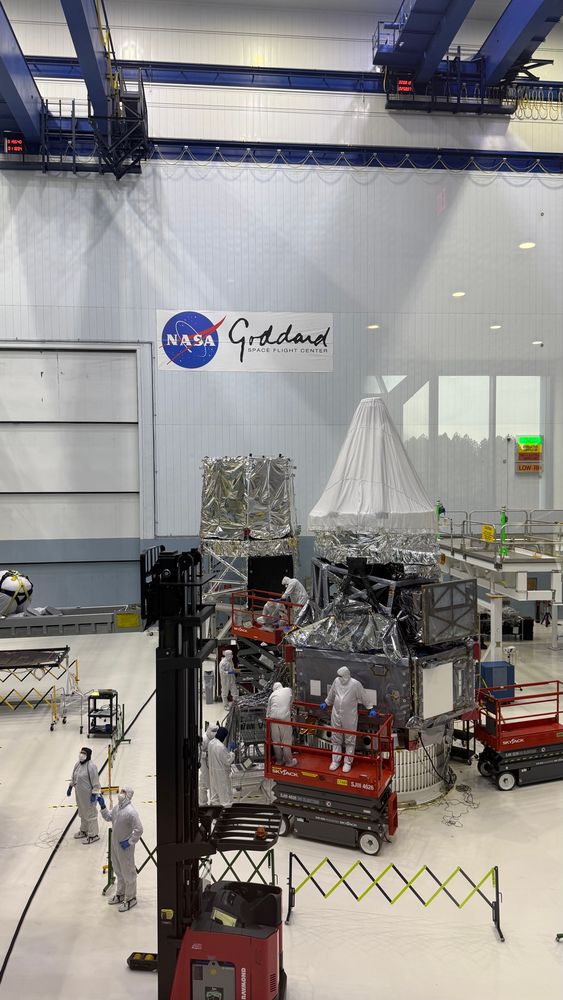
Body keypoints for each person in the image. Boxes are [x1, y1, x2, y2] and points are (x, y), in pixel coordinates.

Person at [320, 666, 377, 774]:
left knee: (350, 739)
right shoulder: (336, 681)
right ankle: (335, 761)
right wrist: (326, 702)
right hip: (336, 714)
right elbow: (332, 694)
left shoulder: (355, 684)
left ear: (347, 675)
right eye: (338, 676)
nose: (339, 678)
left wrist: (370, 708)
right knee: (336, 737)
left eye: (341, 676)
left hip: (349, 716)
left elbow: (364, 696)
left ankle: (348, 762)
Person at [98, 787, 143, 912]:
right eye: (121, 791)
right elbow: (108, 817)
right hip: (115, 845)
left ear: (128, 795)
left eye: (123, 792)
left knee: (128, 872)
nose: (121, 794)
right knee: (118, 870)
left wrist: (130, 842)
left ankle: (131, 898)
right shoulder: (117, 808)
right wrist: (102, 806)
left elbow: (139, 829)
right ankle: (120, 893)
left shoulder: (131, 812)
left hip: (125, 848)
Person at [67, 745, 101, 844]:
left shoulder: (91, 767)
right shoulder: (78, 764)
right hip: (79, 795)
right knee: (82, 812)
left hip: (88, 796)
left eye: (84, 753)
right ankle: (84, 830)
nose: (81, 755)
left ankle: (93, 835)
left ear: (88, 755)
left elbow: (96, 783)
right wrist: (70, 787)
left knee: (91, 814)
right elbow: (74, 776)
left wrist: (94, 794)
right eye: (81, 752)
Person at [266, 682, 296, 765]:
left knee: (276, 741)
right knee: (286, 741)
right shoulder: (288, 690)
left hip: (272, 719)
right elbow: (291, 703)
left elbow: (268, 712)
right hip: (284, 718)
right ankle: (289, 762)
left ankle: (279, 761)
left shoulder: (272, 695)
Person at [208, 726, 236, 808]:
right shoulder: (220, 746)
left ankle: (215, 813)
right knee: (225, 795)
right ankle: (226, 814)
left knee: (215, 795)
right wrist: (232, 752)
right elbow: (228, 761)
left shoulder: (211, 743)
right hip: (221, 774)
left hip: (213, 772)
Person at [199, 723, 219, 806]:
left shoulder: (214, 738)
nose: (215, 733)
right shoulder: (204, 739)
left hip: (211, 763)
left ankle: (213, 802)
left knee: (213, 783)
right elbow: (198, 753)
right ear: (209, 731)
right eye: (213, 731)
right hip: (204, 764)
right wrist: (206, 754)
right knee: (204, 783)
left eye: (216, 731)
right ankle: (203, 803)